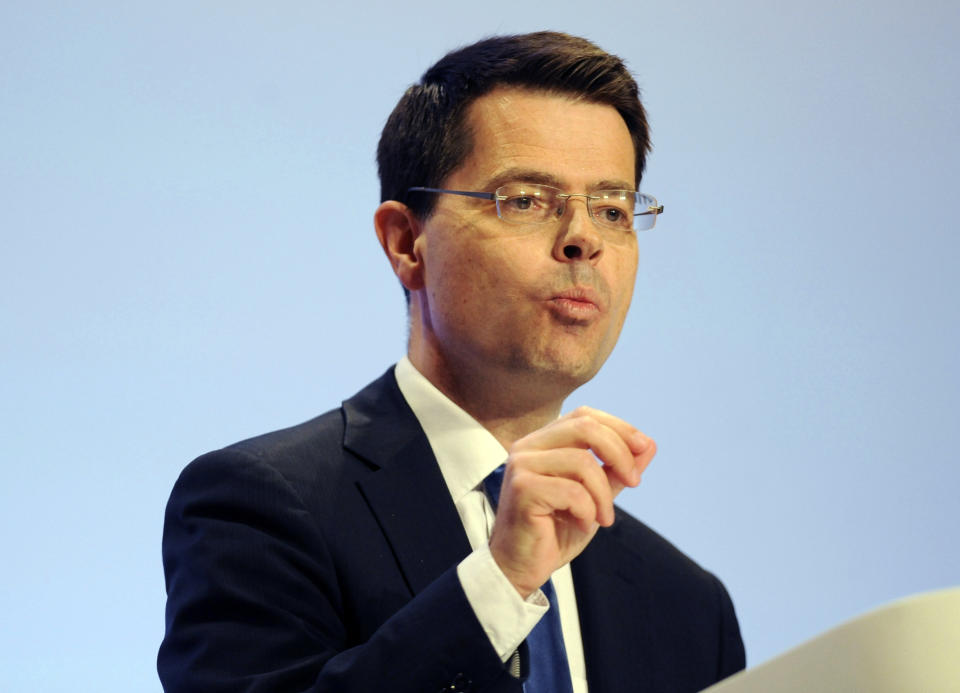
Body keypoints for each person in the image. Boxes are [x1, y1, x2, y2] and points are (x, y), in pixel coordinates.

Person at [158, 31, 745, 693]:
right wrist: (498, 585)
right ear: (406, 241)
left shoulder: (690, 608)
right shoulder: (258, 507)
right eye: (526, 200)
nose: (584, 238)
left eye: (612, 209)